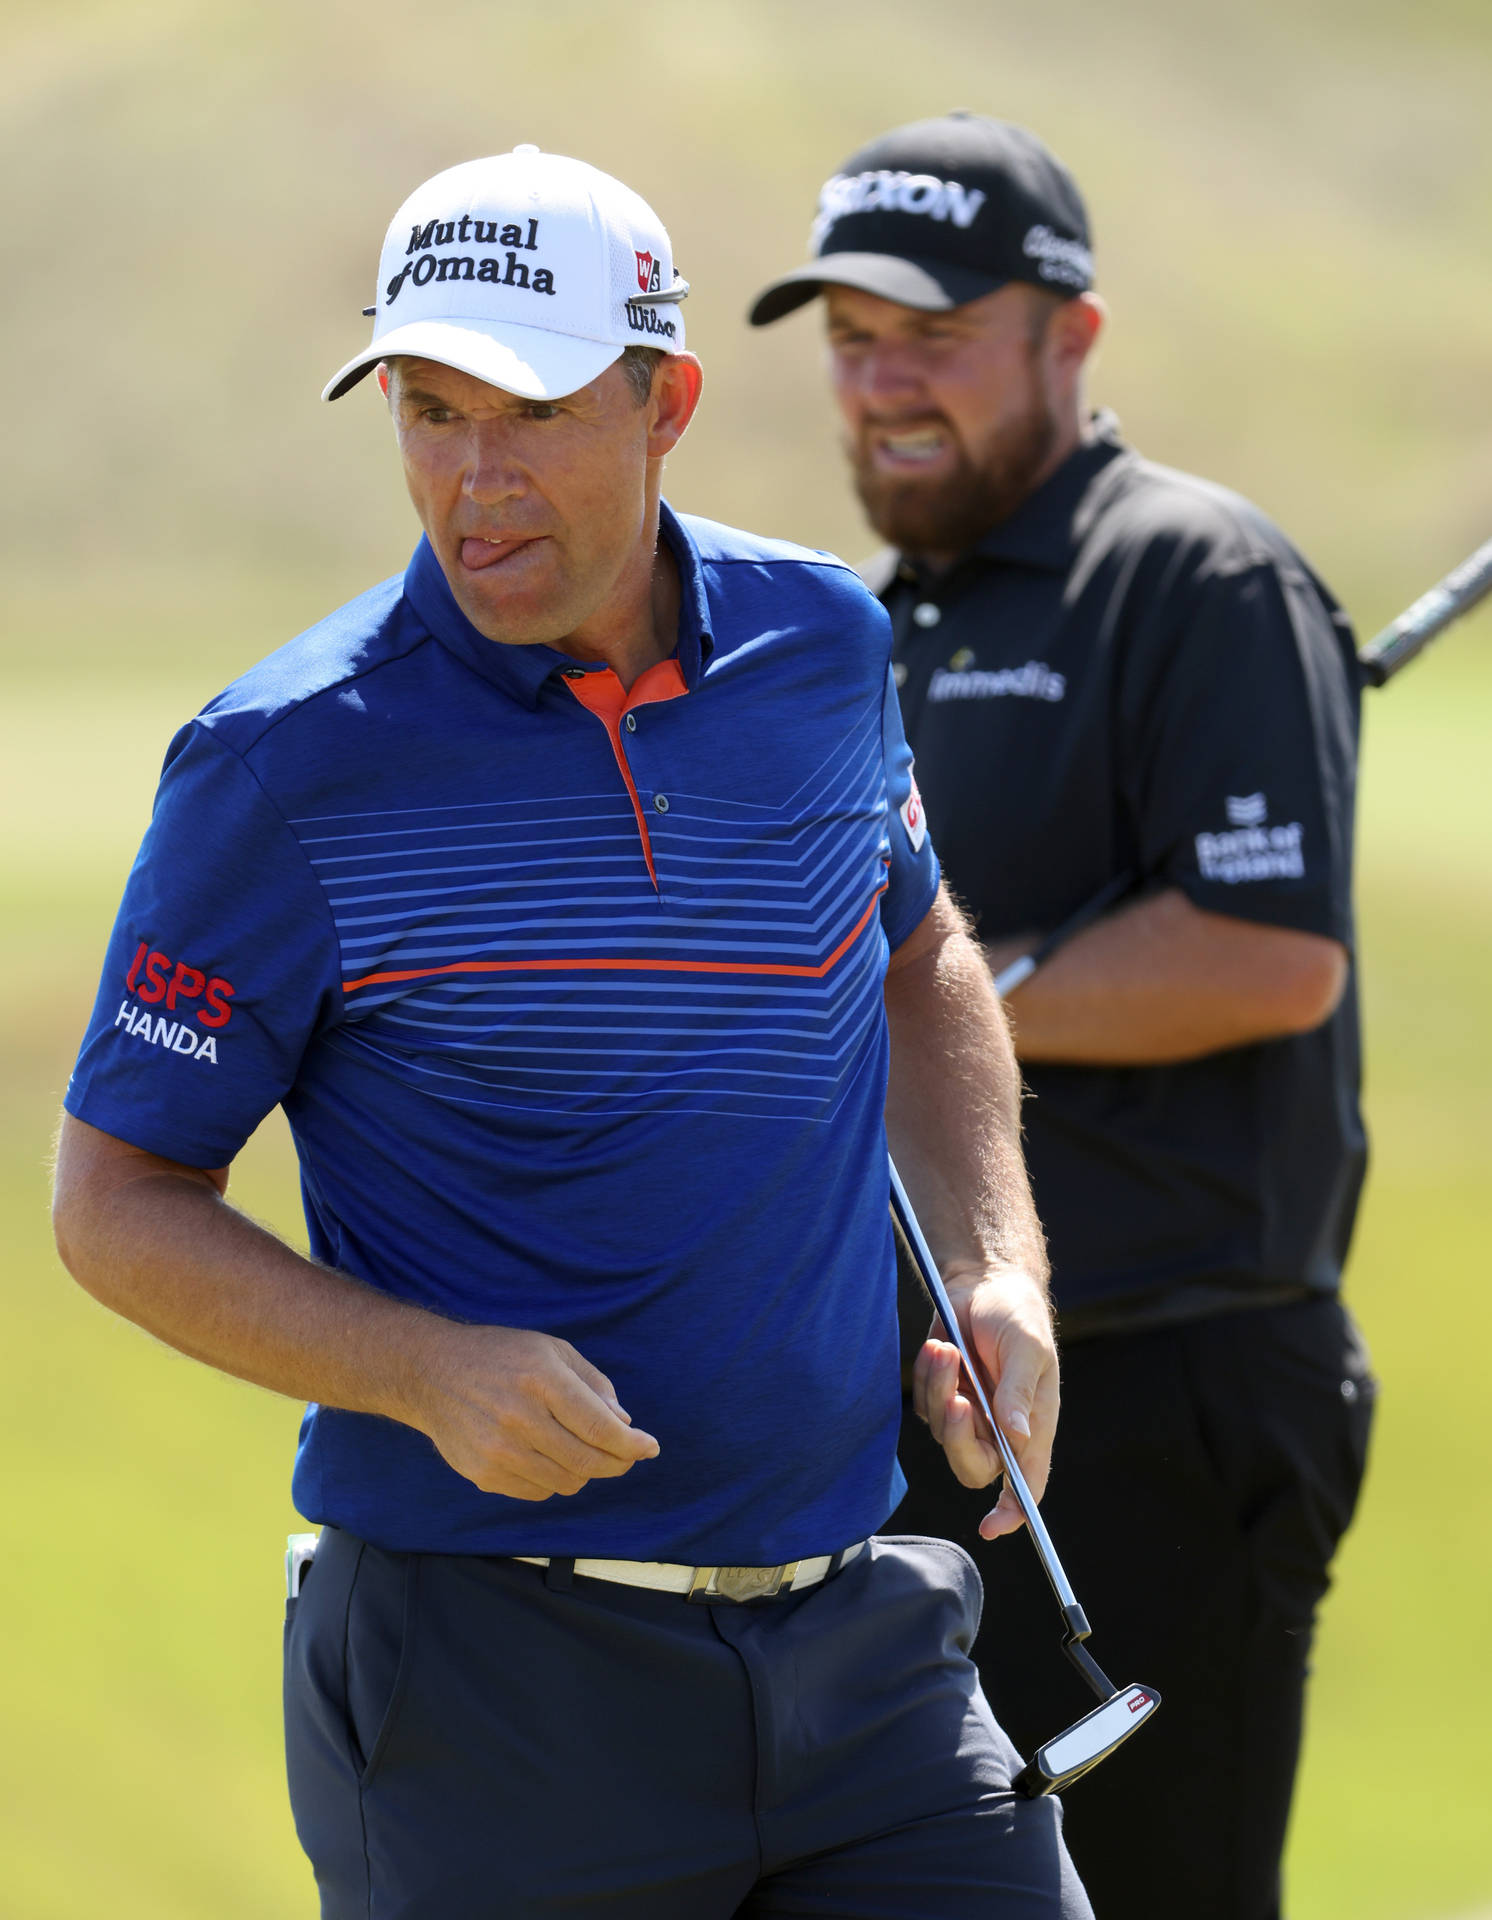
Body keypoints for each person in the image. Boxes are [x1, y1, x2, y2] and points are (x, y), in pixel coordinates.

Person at [51, 146, 1093, 1919]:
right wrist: (428, 1370)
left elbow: (915, 957)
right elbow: (117, 1204)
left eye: (526, 412)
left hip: (866, 1652)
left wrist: (1001, 1267)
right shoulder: (286, 763)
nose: (472, 480)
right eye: (428, 409)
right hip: (490, 1687)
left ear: (663, 400)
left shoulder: (824, 647)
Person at [750, 111, 1376, 1920]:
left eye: (933, 334)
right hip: (934, 1403)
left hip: (1171, 1386)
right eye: (854, 344)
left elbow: (1270, 951)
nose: (885, 386)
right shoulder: (864, 624)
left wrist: (954, 1008)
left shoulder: (1194, 572)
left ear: (1070, 334)